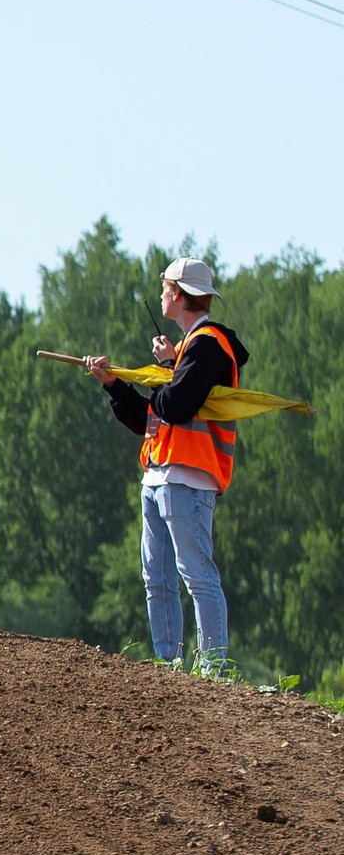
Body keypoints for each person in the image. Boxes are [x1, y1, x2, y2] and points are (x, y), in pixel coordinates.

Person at [78, 256, 249, 676]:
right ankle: (168, 668)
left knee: (196, 576)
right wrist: (116, 385)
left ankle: (213, 667)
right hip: (159, 471)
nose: (160, 294)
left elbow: (175, 404)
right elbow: (146, 419)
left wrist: (163, 373)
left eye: (164, 287)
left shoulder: (209, 345)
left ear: (176, 294)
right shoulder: (191, 350)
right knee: (156, 577)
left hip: (188, 475)